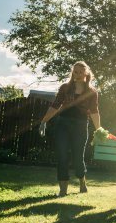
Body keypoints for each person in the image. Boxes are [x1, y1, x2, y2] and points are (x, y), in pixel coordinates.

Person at [39, 61, 100, 197]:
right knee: (62, 156)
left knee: (78, 157)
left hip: (80, 125)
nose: (77, 74)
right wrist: (44, 121)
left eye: (80, 72)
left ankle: (82, 182)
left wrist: (99, 130)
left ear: (86, 73)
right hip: (63, 124)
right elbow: (55, 106)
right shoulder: (65, 88)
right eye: (75, 71)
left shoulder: (91, 92)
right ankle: (63, 190)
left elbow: (95, 112)